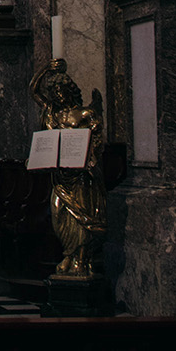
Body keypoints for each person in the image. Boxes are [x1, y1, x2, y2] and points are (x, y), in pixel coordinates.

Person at [29, 58, 106, 278]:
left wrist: (91, 155)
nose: (58, 94)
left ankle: (80, 260)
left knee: (81, 219)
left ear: (70, 90)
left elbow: (97, 140)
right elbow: (33, 90)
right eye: (54, 90)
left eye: (62, 89)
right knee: (59, 215)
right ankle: (69, 255)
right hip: (61, 177)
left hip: (80, 177)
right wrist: (46, 68)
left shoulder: (85, 114)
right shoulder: (51, 112)